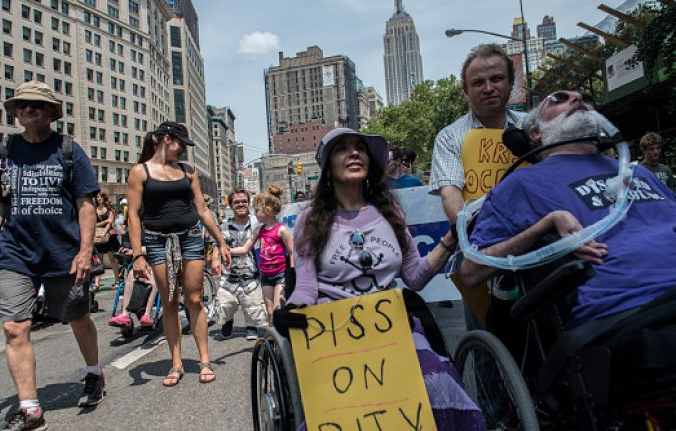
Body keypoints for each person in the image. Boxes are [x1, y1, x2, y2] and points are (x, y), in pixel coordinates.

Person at [275, 127, 484, 429]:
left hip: (391, 328)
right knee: (342, 411)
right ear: (328, 167)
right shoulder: (312, 218)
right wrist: (289, 311)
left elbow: (414, 276)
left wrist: (451, 239)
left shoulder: (390, 214)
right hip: (335, 334)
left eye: (359, 147)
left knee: (436, 383)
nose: (354, 153)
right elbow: (306, 286)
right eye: (342, 148)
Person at [459, 91, 676, 328]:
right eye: (558, 98)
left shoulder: (639, 172)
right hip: (630, 312)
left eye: (584, 98)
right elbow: (472, 272)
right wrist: (547, 223)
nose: (577, 99)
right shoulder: (521, 184)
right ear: (536, 132)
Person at [0, 81, 103, 430]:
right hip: (16, 256)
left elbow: (86, 205)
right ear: (15, 112)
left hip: (64, 255)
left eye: (36, 105)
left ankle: (93, 372)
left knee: (78, 316)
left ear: (50, 113)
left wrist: (85, 251)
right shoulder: (3, 153)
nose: (27, 110)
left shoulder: (69, 150)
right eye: (21, 105)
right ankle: (30, 409)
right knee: (15, 327)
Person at [126, 123, 231, 386]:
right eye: (181, 144)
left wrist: (221, 242)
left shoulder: (188, 171)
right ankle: (176, 363)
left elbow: (203, 210)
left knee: (194, 298)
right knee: (170, 301)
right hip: (157, 241)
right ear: (167, 139)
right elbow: (134, 217)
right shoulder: (140, 172)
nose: (184, 150)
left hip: (190, 238)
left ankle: (204, 360)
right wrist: (138, 255)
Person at [429, 43, 526, 223]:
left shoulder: (534, 126)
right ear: (466, 90)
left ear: (511, 82)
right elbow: (450, 193)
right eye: (478, 83)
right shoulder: (449, 138)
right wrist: (474, 234)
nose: (488, 88)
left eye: (496, 79)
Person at [229, 185, 293, 326]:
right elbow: (245, 248)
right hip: (265, 276)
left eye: (257, 210)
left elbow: (292, 252)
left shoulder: (281, 230)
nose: (254, 213)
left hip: (280, 275)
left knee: (278, 309)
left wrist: (292, 272)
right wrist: (227, 250)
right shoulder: (259, 230)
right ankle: (272, 340)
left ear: (268, 210)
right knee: (269, 312)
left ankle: (282, 340)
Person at [212, 189, 267, 340]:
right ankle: (228, 321)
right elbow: (217, 245)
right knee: (224, 306)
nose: (241, 204)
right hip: (229, 277)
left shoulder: (258, 226)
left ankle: (251, 326)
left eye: (243, 201)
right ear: (230, 205)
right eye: (236, 202)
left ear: (248, 203)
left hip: (252, 276)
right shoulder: (222, 228)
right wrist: (215, 259)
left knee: (255, 309)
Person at [108, 219, 158, 329]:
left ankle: (147, 315)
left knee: (153, 280)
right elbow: (127, 245)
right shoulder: (129, 234)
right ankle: (125, 315)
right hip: (139, 264)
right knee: (130, 276)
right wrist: (124, 249)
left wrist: (135, 251)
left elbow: (154, 248)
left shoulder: (151, 228)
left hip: (155, 262)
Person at [94, 191, 120, 290]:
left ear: (104, 198)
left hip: (109, 237)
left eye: (100, 197)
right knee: (99, 261)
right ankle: (97, 284)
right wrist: (104, 222)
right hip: (98, 237)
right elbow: (93, 224)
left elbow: (110, 222)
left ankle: (117, 281)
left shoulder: (110, 209)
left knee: (112, 260)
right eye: (97, 197)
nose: (98, 199)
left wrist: (104, 234)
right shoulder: (94, 210)